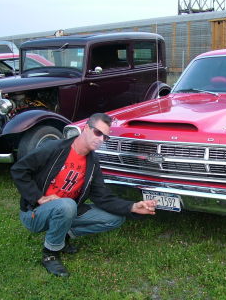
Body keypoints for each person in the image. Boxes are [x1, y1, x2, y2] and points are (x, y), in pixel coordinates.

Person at [11, 113, 157, 277]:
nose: (101, 139)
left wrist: (132, 206)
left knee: (116, 218)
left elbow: (102, 196)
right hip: (35, 212)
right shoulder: (55, 148)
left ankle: (62, 234)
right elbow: (19, 170)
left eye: (105, 137)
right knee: (67, 205)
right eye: (98, 133)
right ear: (86, 128)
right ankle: (50, 253)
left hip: (67, 210)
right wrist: (38, 197)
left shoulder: (92, 163)